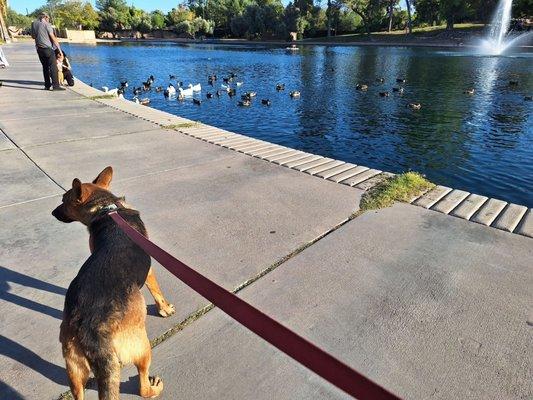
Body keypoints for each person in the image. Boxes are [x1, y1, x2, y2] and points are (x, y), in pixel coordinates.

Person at [31, 12, 65, 91]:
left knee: (45, 67)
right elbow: (53, 37)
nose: (48, 20)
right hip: (48, 49)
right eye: (48, 18)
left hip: (39, 49)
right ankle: (56, 86)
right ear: (45, 17)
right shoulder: (47, 24)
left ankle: (47, 85)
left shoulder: (34, 24)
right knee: (53, 67)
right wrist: (60, 50)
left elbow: (33, 36)